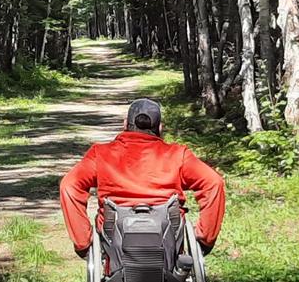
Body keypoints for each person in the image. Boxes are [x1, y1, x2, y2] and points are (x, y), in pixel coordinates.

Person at [59, 98, 226, 258]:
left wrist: (83, 242)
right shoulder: (178, 155)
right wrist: (205, 239)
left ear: (125, 124)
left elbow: (69, 186)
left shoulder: (100, 154)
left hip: (115, 233)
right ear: (160, 128)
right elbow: (213, 183)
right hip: (167, 231)